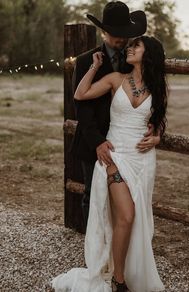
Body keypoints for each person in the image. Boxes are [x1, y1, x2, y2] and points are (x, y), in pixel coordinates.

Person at [51, 35, 167, 292]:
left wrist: (157, 137)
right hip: (114, 156)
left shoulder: (157, 87)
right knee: (125, 216)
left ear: (149, 55)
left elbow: (158, 120)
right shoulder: (116, 79)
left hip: (143, 160)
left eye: (136, 46)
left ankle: (125, 272)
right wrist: (93, 66)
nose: (130, 48)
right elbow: (80, 94)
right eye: (130, 45)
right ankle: (119, 280)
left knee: (135, 220)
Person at [70, 1, 156, 229]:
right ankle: (94, 246)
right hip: (94, 140)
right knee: (93, 193)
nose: (122, 39)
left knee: (126, 195)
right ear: (104, 32)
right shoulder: (85, 61)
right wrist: (97, 142)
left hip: (124, 142)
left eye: (124, 34)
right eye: (116, 34)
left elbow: (151, 98)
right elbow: (82, 107)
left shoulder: (132, 60)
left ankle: (119, 245)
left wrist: (155, 129)